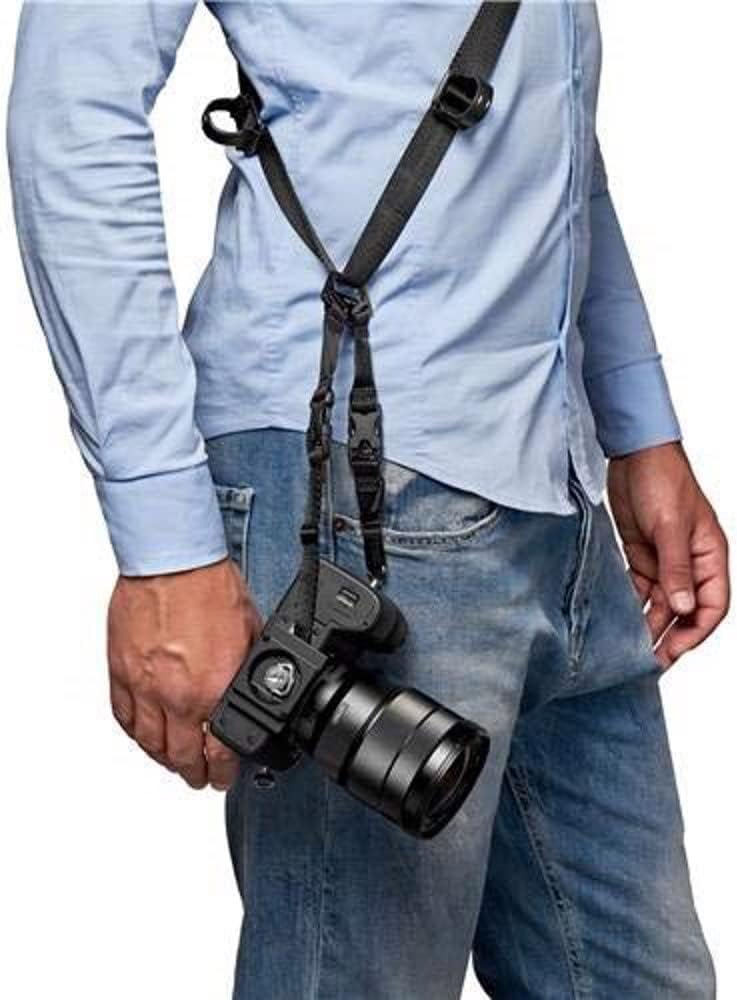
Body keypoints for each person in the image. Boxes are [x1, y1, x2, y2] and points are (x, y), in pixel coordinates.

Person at [7, 2, 728, 998]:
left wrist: (636, 423)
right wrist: (165, 547)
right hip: (355, 495)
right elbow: (71, 116)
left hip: (550, 496)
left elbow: (537, 113)